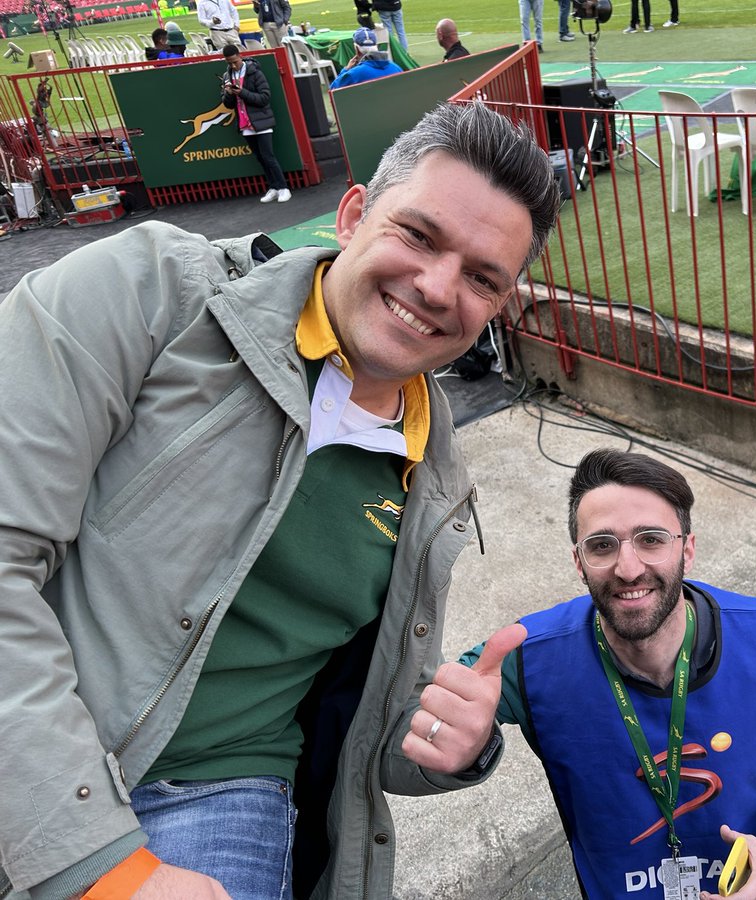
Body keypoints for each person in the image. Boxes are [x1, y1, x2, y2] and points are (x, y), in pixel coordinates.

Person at [0, 99, 559, 900]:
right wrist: (107, 869)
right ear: (354, 212)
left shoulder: (434, 476)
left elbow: (365, 723)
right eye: (419, 236)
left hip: (223, 789)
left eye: (482, 278)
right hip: (37, 733)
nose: (438, 288)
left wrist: (457, 743)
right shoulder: (150, 293)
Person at [457, 449, 756, 899]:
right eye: (602, 545)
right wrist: (461, 751)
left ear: (687, 548)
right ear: (578, 562)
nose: (628, 569)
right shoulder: (529, 658)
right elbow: (427, 716)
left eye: (651, 539)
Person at [220, 44, 290, 203]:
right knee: (260, 158)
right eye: (229, 63)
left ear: (240, 56)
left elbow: (265, 98)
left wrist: (242, 92)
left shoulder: (255, 73)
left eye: (234, 61)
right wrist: (229, 94)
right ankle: (273, 187)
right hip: (245, 124)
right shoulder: (227, 76)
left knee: (269, 156)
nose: (232, 65)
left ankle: (283, 188)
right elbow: (227, 104)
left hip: (262, 121)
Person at [329, 26, 401, 88]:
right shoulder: (396, 68)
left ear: (357, 50)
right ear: (376, 47)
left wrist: (346, 69)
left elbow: (333, 89)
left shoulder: (354, 74)